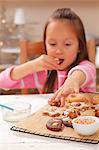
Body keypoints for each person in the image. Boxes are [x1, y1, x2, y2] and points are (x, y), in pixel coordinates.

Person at [0, 8, 96, 106]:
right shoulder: (42, 73)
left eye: (67, 44)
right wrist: (32, 65)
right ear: (45, 44)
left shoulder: (87, 67)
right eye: (53, 44)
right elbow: (2, 82)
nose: (58, 51)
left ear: (79, 46)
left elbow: (83, 72)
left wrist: (73, 81)